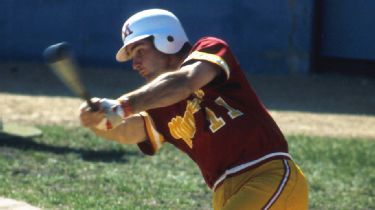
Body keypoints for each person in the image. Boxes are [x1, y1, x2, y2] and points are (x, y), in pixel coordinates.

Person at [79, 8, 308, 210]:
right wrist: (98, 120)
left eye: (140, 51)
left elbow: (185, 81)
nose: (135, 63)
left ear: (167, 40)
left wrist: (123, 105)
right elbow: (128, 130)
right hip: (224, 194)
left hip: (268, 176)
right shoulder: (159, 104)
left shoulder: (210, 50)